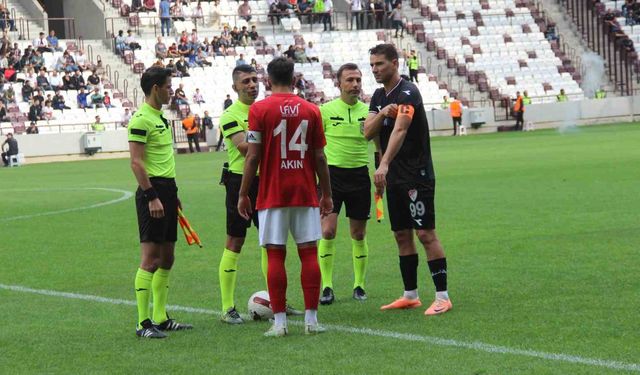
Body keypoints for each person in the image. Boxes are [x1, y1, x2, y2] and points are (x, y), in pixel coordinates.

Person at [237, 57, 332, 337]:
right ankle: (312, 322)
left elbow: (252, 155)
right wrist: (326, 192)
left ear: (268, 79)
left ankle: (279, 324)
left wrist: (243, 193)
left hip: (272, 192)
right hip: (304, 191)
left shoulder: (259, 109)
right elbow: (320, 157)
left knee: (276, 254)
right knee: (309, 253)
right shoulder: (312, 110)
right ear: (294, 78)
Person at [364, 44, 452, 316]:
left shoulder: (408, 91)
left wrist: (385, 164)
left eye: (379, 64)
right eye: (372, 65)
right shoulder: (379, 96)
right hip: (393, 177)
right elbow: (367, 132)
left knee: (425, 232)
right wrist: (381, 113)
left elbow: (400, 130)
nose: (375, 70)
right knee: (401, 233)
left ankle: (442, 296)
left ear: (395, 63)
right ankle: (410, 294)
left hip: (417, 174)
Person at [128, 67, 193, 339]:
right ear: (155, 88)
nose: (171, 91)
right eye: (168, 86)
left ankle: (161, 317)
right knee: (151, 260)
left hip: (166, 190)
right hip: (152, 192)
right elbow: (136, 162)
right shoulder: (141, 119)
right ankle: (143, 323)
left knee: (168, 258)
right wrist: (152, 195)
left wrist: (171, 194)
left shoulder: (162, 119)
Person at [317, 63, 371, 305]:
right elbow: (315, 147)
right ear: (338, 83)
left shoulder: (369, 112)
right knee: (327, 230)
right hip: (331, 177)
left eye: (358, 80)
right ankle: (326, 286)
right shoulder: (324, 111)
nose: (355, 84)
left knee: (358, 233)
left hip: (360, 175)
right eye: (349, 80)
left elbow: (379, 144)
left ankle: (359, 285)